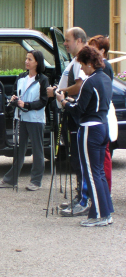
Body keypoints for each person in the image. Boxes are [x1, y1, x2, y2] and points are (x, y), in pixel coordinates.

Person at [56, 46, 113, 226]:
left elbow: (79, 110)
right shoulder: (105, 78)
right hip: (103, 126)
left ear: (89, 63)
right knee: (99, 172)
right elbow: (89, 104)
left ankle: (99, 215)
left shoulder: (90, 81)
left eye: (82, 64)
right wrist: (72, 102)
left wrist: (63, 102)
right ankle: (106, 212)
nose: (81, 68)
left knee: (91, 173)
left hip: (90, 129)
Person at [47, 27, 88, 216]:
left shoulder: (81, 61)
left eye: (68, 40)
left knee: (79, 159)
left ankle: (84, 199)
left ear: (79, 40)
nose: (64, 44)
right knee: (75, 158)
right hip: (71, 114)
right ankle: (80, 196)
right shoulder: (76, 59)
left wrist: (60, 92)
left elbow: (79, 86)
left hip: (76, 116)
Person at [0, 51, 49, 191]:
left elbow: (43, 101)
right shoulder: (21, 77)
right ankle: (11, 180)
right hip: (20, 117)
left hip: (35, 119)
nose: (26, 61)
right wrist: (13, 99)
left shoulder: (43, 79)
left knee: (37, 150)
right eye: (26, 58)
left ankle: (36, 181)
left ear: (37, 62)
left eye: (30, 59)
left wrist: (26, 105)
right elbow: (14, 92)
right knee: (19, 149)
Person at [88, 35, 114, 192]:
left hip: (101, 116)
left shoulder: (105, 67)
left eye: (94, 48)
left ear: (102, 51)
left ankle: (105, 190)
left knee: (104, 155)